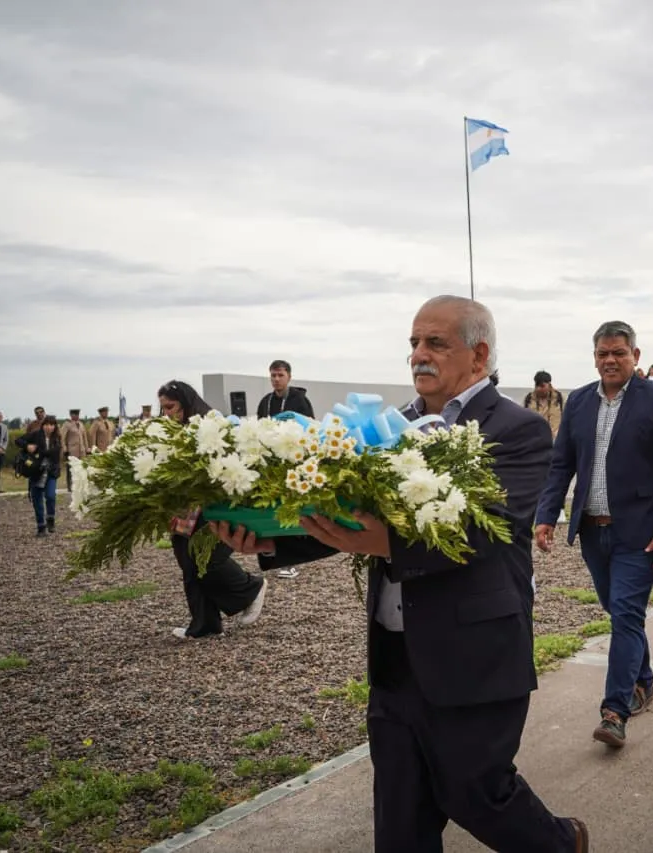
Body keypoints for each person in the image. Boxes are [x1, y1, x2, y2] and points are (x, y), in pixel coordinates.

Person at [208, 295, 589, 852]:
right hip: (394, 654)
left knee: (477, 793)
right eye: (413, 343)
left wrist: (386, 542)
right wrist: (269, 541)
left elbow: (489, 529)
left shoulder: (518, 429)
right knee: (399, 819)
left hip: (474, 651)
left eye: (435, 343)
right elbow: (345, 518)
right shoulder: (386, 426)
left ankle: (562, 843)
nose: (418, 354)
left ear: (479, 355)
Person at [535, 321, 653, 748]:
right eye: (603, 354)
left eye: (619, 353)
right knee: (618, 612)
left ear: (636, 355)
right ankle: (643, 680)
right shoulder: (579, 401)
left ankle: (614, 712)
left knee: (627, 614)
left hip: (639, 532)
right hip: (593, 532)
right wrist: (546, 514)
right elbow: (562, 464)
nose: (610, 360)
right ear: (594, 357)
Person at [159, 380, 267, 639]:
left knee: (207, 559)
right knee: (188, 562)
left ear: (185, 403)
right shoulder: (171, 431)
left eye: (171, 407)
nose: (166, 414)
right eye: (163, 408)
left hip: (213, 504)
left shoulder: (213, 423)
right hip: (184, 507)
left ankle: (251, 588)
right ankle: (204, 624)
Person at [22, 415, 63, 536]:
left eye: (51, 425)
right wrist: (27, 446)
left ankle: (50, 518)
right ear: (43, 425)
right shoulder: (36, 435)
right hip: (35, 471)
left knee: (50, 496)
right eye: (46, 424)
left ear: (55, 426)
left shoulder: (57, 438)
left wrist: (38, 451)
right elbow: (19, 441)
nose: (49, 427)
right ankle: (41, 526)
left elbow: (54, 453)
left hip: (50, 472)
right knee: (37, 500)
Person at [523, 370, 566, 437]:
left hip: (554, 440)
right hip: (534, 440)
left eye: (542, 386)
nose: (538, 388)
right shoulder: (528, 400)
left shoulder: (560, 399)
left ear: (549, 385)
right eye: (537, 385)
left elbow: (568, 420)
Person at [60, 409, 89, 491]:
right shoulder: (67, 424)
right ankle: (70, 486)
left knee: (81, 469)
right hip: (71, 450)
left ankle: (80, 485)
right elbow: (62, 438)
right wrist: (64, 448)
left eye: (77, 414)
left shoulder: (81, 424)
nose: (76, 416)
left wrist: (87, 448)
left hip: (81, 451)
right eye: (74, 414)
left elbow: (85, 437)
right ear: (71, 415)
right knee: (71, 469)